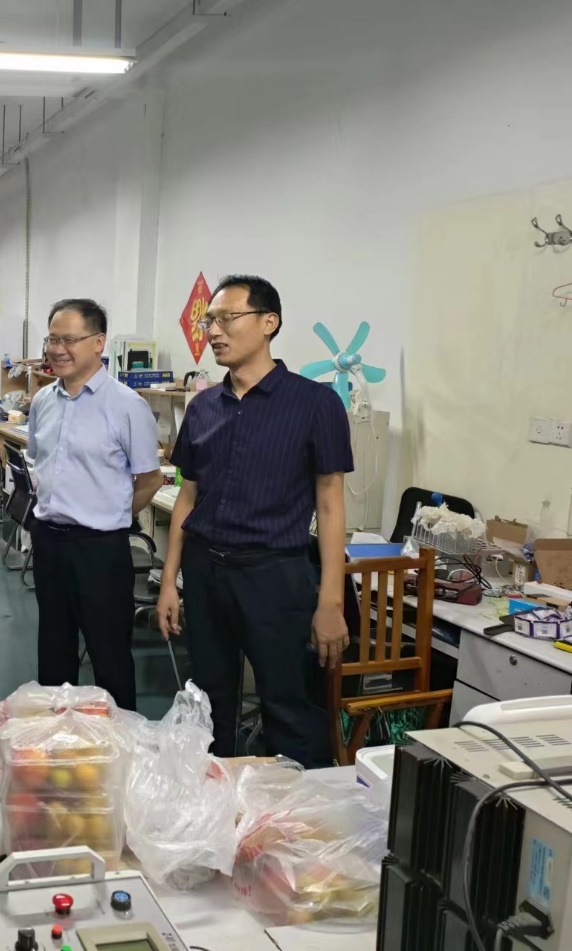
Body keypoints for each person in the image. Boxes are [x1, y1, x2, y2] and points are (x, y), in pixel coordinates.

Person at [157, 275, 352, 769]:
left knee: (287, 705)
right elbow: (187, 497)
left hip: (275, 575)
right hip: (207, 573)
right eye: (209, 321)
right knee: (208, 705)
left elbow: (331, 505)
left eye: (227, 319)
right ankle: (212, 804)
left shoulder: (315, 404)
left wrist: (330, 601)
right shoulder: (203, 406)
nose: (214, 331)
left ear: (269, 323)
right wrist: (169, 581)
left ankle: (298, 813)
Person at [28, 299, 163, 712]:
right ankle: (57, 738)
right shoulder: (42, 401)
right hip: (49, 542)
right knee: (53, 650)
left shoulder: (127, 405)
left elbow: (150, 479)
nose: (57, 349)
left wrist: (112, 514)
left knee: (109, 655)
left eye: (69, 340)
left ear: (98, 342)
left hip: (100, 549)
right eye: (52, 339)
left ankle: (120, 740)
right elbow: (38, 461)